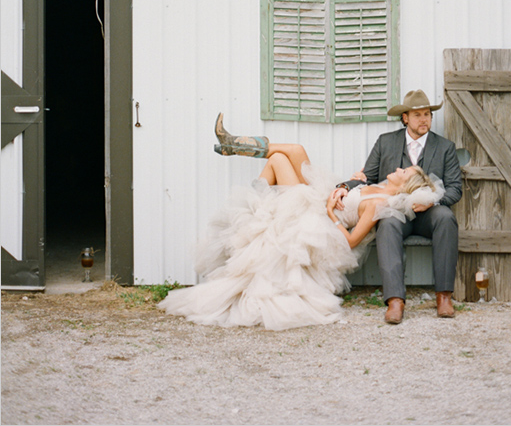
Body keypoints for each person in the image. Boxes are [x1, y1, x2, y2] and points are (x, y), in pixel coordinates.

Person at [158, 115, 443, 331]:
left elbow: (351, 241)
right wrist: (345, 186)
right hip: (320, 197)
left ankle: (259, 206)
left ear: (404, 185)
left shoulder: (378, 204)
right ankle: (234, 146)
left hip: (317, 217)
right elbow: (355, 185)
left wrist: (331, 212)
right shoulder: (377, 186)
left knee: (279, 161)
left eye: (404, 172)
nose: (398, 168)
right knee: (294, 150)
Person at [331, 89, 462, 324]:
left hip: (429, 213)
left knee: (446, 218)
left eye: (427, 114)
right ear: (405, 118)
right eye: (417, 115)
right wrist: (344, 187)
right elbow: (367, 177)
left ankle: (444, 296)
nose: (424, 119)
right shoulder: (386, 142)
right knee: (387, 223)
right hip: (395, 211)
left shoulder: (445, 147)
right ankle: (395, 300)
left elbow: (455, 189)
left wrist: (432, 201)